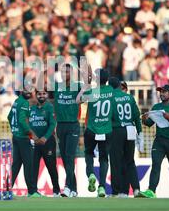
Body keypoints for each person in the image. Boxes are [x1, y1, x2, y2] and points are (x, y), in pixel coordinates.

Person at [140, 84, 169, 198]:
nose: (162, 94)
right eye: (161, 92)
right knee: (155, 164)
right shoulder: (156, 107)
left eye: (164, 92)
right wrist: (144, 120)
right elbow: (150, 124)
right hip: (159, 140)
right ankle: (151, 191)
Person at [76, 68, 115, 198]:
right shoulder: (111, 91)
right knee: (104, 159)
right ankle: (102, 187)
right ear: (107, 79)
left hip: (92, 129)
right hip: (107, 130)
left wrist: (86, 84)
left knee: (88, 153)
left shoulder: (92, 92)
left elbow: (78, 100)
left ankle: (91, 174)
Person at [108, 77, 144, 198]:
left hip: (117, 130)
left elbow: (109, 117)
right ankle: (135, 189)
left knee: (115, 162)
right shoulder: (129, 97)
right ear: (119, 85)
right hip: (130, 129)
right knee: (130, 161)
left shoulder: (110, 97)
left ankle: (116, 191)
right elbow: (136, 116)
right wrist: (140, 134)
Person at [53, 64, 82, 197]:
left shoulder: (77, 86)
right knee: (65, 158)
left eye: (68, 72)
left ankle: (67, 187)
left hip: (72, 125)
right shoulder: (57, 86)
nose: (65, 74)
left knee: (69, 157)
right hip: (60, 126)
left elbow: (89, 93)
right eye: (63, 72)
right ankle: (74, 189)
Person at [8, 85, 40, 197]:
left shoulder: (17, 101)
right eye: (26, 90)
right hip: (23, 138)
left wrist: (14, 129)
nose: (29, 92)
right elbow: (22, 120)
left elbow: (9, 116)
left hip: (16, 136)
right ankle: (32, 191)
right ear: (22, 90)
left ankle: (7, 188)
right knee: (29, 164)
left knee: (16, 164)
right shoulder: (25, 103)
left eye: (30, 90)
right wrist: (31, 134)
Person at [30, 89, 60, 197]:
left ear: (47, 95)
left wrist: (45, 137)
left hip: (48, 142)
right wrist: (32, 136)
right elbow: (28, 124)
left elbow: (52, 124)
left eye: (44, 93)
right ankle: (33, 191)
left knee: (51, 167)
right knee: (33, 167)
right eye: (39, 94)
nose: (41, 95)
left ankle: (56, 191)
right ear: (36, 95)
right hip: (35, 142)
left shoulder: (49, 107)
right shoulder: (32, 109)